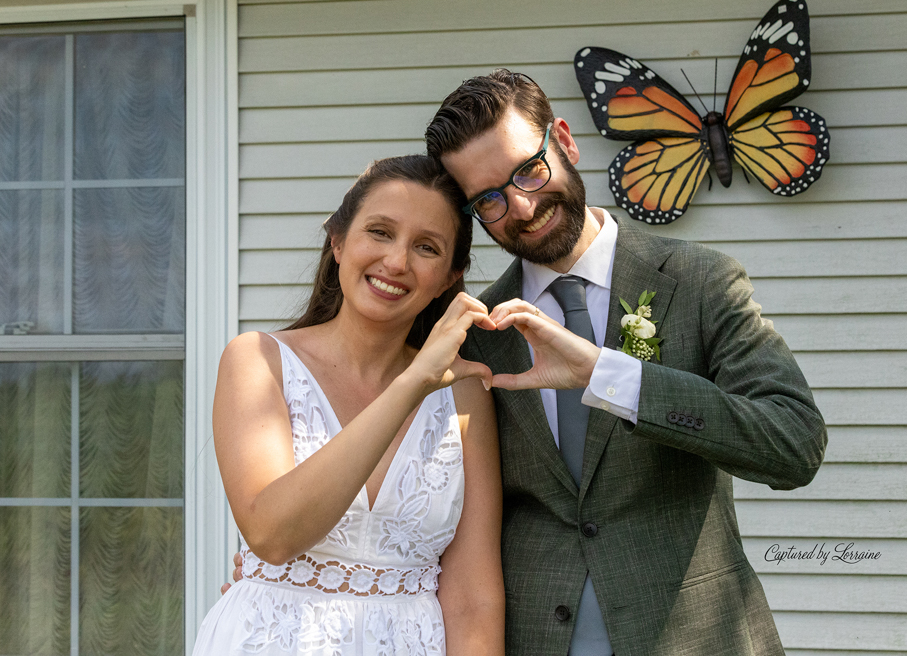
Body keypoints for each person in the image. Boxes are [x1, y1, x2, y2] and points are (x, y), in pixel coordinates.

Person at [424, 71, 829, 655]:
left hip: (696, 639)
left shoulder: (699, 283)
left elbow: (794, 446)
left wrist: (609, 378)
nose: (521, 205)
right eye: (488, 198)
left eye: (528, 170)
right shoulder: (475, 333)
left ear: (563, 141)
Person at [196, 155, 505, 655]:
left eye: (426, 247)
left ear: (450, 276)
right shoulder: (257, 360)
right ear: (338, 242)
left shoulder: (466, 394)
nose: (397, 262)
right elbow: (273, 535)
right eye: (380, 232)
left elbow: (473, 599)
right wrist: (413, 383)